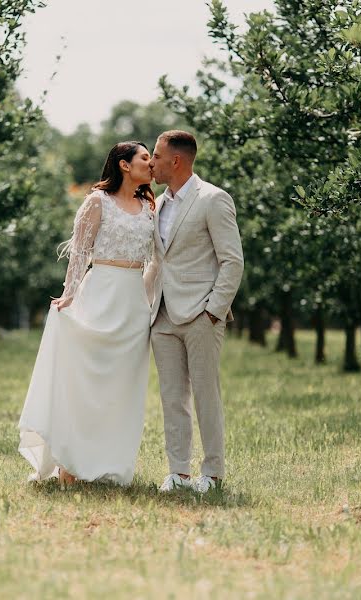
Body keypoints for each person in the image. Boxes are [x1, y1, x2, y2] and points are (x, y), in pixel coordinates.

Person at [18, 141, 155, 486]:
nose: (151, 163)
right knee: (85, 384)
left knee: (120, 390)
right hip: (100, 295)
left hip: (133, 303)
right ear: (124, 165)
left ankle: (109, 464)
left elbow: (157, 260)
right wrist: (69, 296)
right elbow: (79, 252)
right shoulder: (98, 202)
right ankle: (70, 464)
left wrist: (151, 302)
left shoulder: (149, 206)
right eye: (144, 157)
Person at [144, 130, 244, 494]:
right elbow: (158, 261)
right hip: (162, 315)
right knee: (172, 398)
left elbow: (232, 262)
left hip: (202, 315)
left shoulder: (213, 199)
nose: (150, 163)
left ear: (176, 161)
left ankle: (213, 475)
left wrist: (214, 312)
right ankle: (179, 472)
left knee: (205, 394)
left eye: (155, 156)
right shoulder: (156, 203)